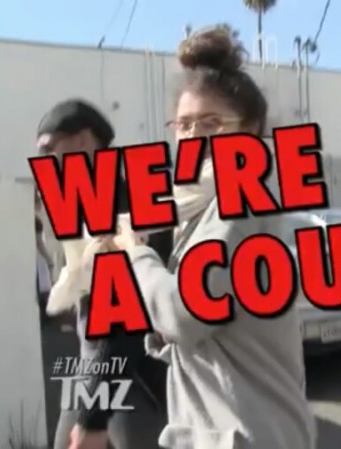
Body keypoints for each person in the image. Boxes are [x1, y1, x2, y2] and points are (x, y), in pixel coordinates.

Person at [89, 26, 317, 449]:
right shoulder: (198, 208)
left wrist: (135, 254)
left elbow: (185, 312)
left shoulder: (240, 199)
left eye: (211, 124)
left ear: (249, 130)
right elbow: (205, 331)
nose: (194, 137)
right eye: (184, 125)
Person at [35, 98, 172, 449]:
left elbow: (124, 318)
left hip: (132, 373)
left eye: (49, 148)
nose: (43, 159)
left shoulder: (126, 206)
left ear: (83, 142)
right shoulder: (81, 206)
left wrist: (92, 419)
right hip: (95, 366)